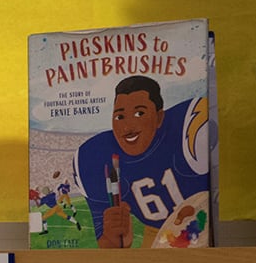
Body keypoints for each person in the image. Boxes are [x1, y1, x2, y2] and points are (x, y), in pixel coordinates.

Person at [74, 74, 210, 247]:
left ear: (159, 117)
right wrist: (114, 238)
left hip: (202, 227)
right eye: (119, 117)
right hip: (157, 234)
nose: (127, 127)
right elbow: (108, 246)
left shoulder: (189, 127)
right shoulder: (94, 157)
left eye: (139, 113)